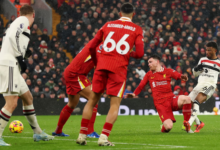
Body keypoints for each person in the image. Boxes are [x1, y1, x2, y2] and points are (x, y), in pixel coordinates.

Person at [76, 3, 144, 146]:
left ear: (119, 13)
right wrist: (126, 53)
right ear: (133, 14)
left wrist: (97, 62)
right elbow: (139, 54)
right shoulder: (137, 29)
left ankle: (82, 135)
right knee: (115, 104)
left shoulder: (107, 25)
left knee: (92, 100)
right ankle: (103, 137)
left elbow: (92, 46)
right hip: (118, 69)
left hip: (101, 66)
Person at [0, 5, 54, 146]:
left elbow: (12, 38)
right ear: (33, 15)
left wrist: (24, 53)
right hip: (10, 64)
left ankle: (37, 133)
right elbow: (13, 37)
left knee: (28, 97)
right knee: (11, 103)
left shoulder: (18, 23)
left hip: (12, 64)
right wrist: (19, 57)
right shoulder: (22, 20)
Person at [126, 54, 192, 133]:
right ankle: (164, 126)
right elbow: (141, 86)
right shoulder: (149, 74)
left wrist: (183, 77)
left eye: (150, 62)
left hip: (171, 99)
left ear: (157, 62)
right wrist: (133, 94)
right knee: (169, 127)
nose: (149, 64)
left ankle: (186, 124)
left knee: (187, 98)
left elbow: (178, 75)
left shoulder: (168, 71)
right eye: (148, 63)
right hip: (160, 103)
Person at [52, 40, 100, 138]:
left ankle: (58, 130)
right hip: (76, 74)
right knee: (94, 99)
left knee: (72, 104)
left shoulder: (94, 43)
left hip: (71, 72)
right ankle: (89, 132)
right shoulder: (100, 46)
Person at [187, 42, 220, 133]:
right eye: (206, 50)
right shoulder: (202, 60)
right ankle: (199, 123)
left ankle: (189, 123)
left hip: (210, 85)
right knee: (187, 104)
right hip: (199, 84)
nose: (207, 52)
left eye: (209, 50)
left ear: (215, 51)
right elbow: (195, 74)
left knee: (197, 100)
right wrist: (196, 68)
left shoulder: (219, 63)